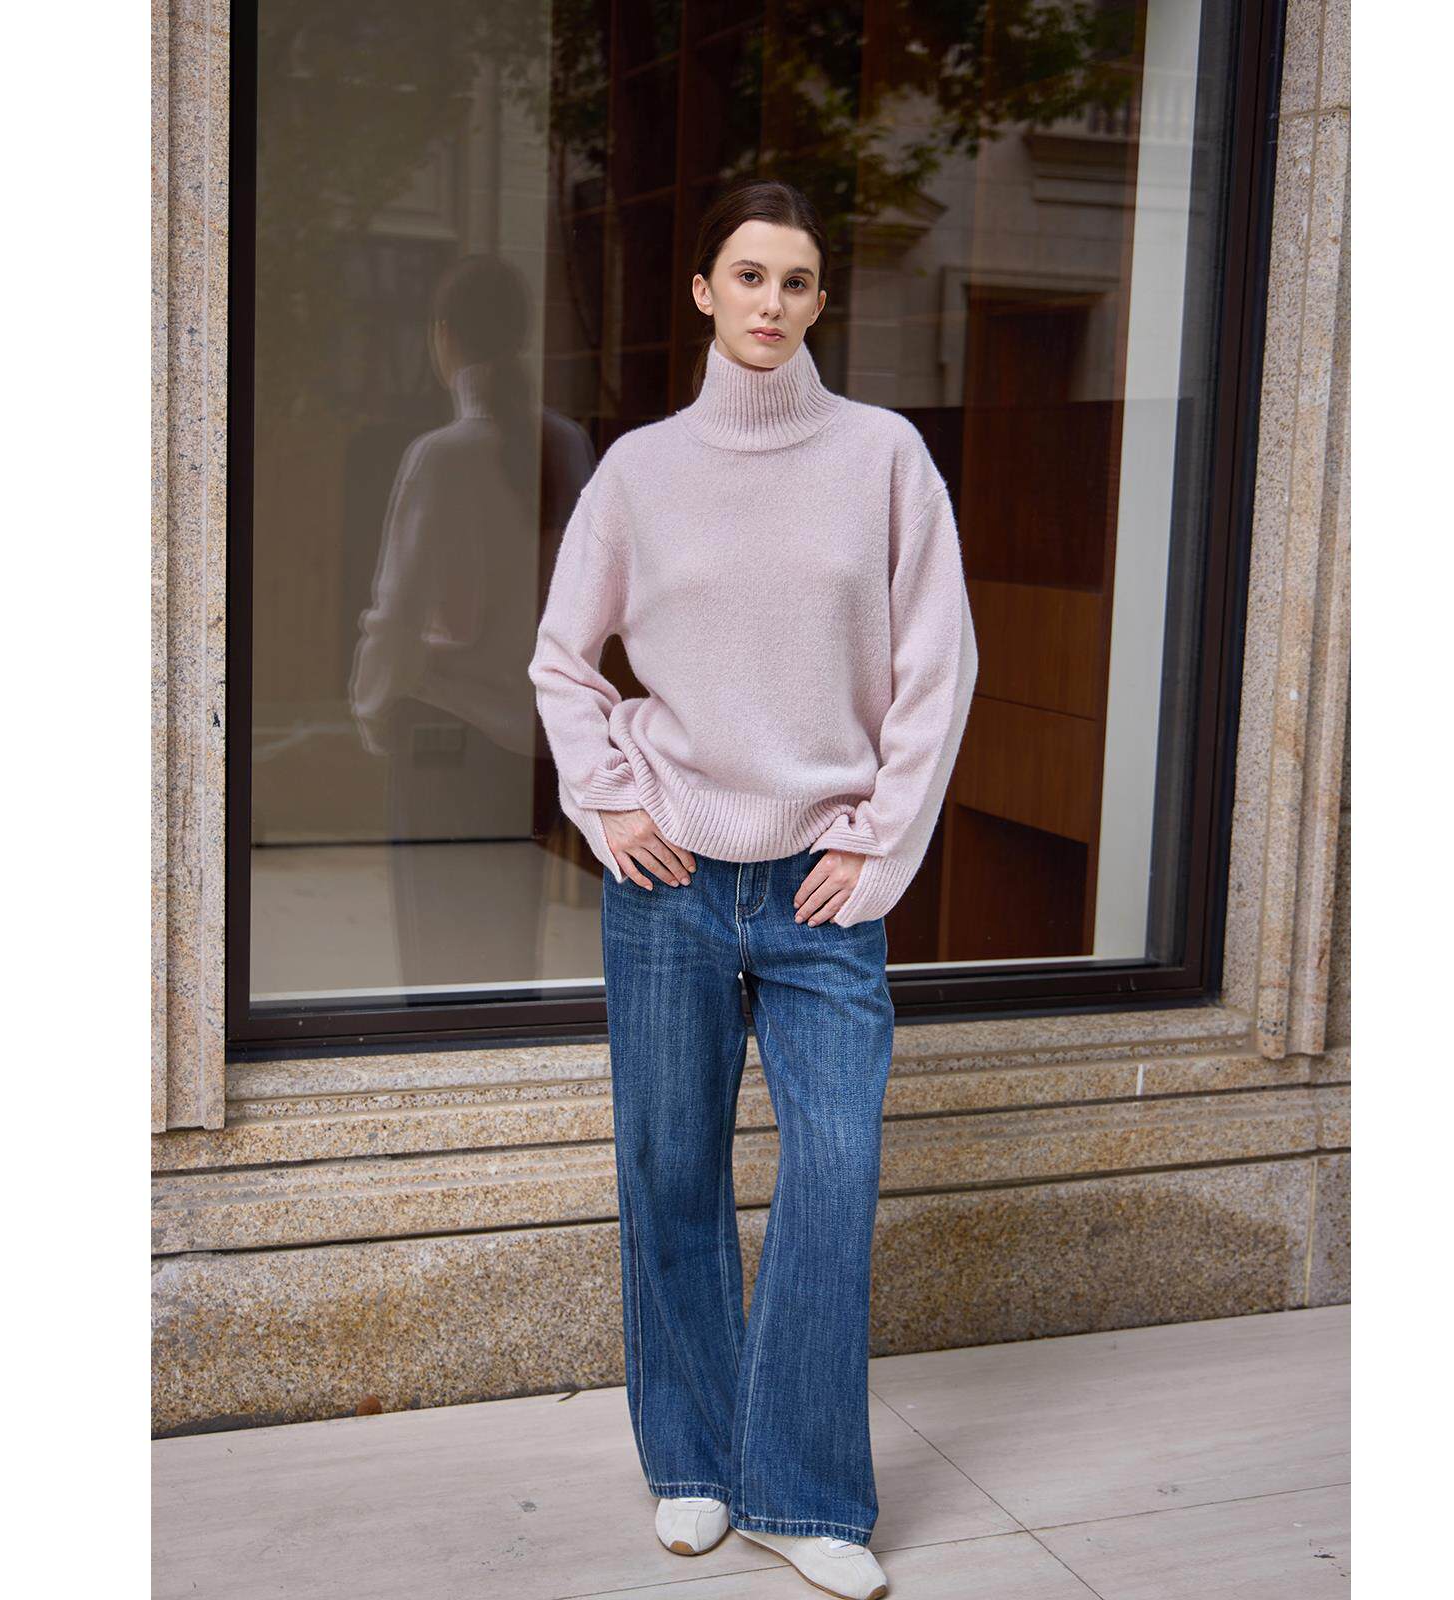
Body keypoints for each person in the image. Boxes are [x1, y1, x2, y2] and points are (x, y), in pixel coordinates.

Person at [528, 178, 978, 1600]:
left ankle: (803, 1491)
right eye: (748, 274)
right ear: (705, 293)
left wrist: (882, 842)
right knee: (671, 1169)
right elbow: (562, 659)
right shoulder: (640, 472)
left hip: (821, 887)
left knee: (834, 1171)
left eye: (796, 280)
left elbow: (937, 666)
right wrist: (611, 801)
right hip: (669, 879)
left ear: (820, 301)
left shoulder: (885, 458)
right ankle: (695, 1464)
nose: (771, 301)